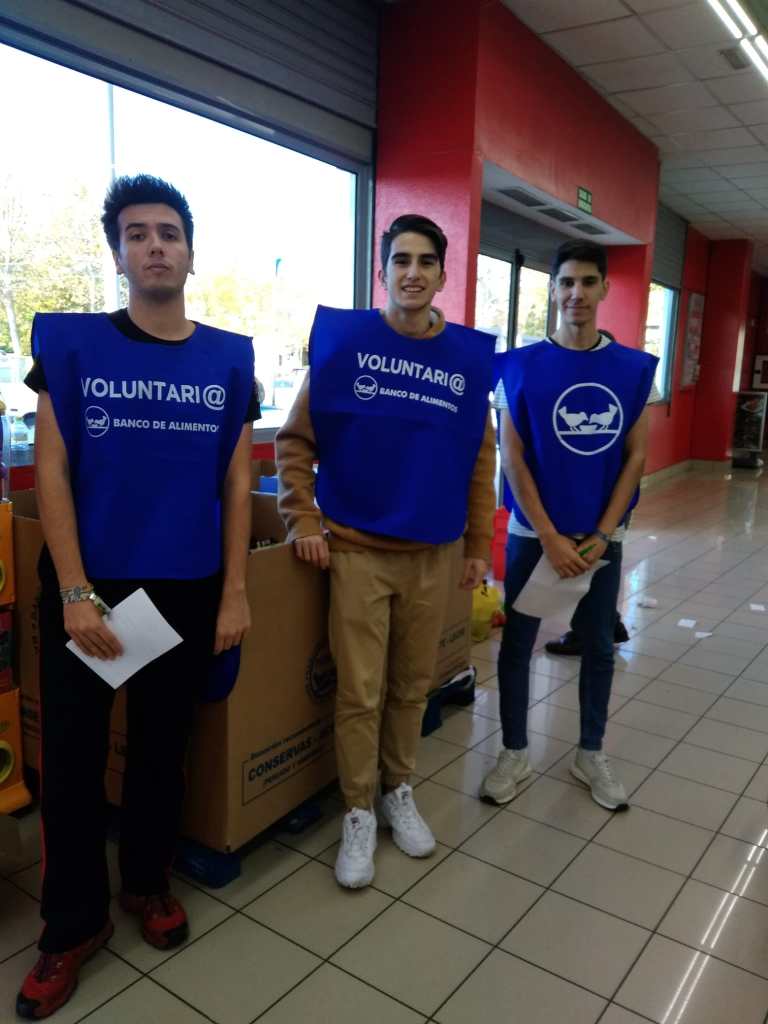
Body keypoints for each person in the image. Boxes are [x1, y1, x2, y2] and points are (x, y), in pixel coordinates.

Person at [17, 175, 257, 1019]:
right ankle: (70, 926)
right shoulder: (73, 346)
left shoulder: (229, 358)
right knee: (73, 764)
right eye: (137, 234)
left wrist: (235, 592)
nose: (155, 246)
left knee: (160, 754)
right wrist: (75, 590)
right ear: (119, 255)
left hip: (185, 589)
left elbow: (237, 481)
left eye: (169, 233)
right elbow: (50, 469)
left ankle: (146, 884)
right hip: (92, 590)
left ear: (191, 251)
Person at [276, 214, 495, 888]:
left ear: (442, 274)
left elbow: (479, 461)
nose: (413, 273)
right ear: (383, 270)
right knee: (360, 691)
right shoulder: (346, 348)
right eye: (401, 260)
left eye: (426, 261)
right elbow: (295, 442)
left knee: (411, 685)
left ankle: (399, 789)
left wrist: (478, 544)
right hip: (358, 550)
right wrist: (302, 519)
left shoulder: (465, 363)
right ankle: (358, 809)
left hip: (432, 552)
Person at [481, 240, 657, 812]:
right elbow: (512, 457)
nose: (576, 293)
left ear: (604, 288)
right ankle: (514, 751)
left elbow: (635, 457)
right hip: (534, 534)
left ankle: (590, 752)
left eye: (587, 282)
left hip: (602, 535)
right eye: (566, 282)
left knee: (598, 645)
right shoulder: (516, 367)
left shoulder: (635, 371)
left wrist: (602, 534)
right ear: (553, 289)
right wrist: (550, 536)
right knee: (518, 643)